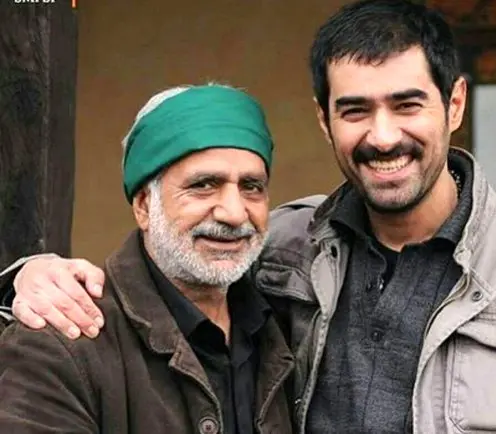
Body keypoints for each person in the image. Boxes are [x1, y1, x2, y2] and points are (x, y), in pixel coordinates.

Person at [3, 0, 496, 432]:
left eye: (407, 104)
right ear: (325, 120)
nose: (383, 136)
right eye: (356, 110)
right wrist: (26, 274)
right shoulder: (288, 247)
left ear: (455, 104)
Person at [0, 84, 294, 434]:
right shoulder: (62, 343)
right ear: (143, 206)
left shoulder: (288, 320)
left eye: (252, 187)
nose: (234, 213)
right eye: (203, 185)